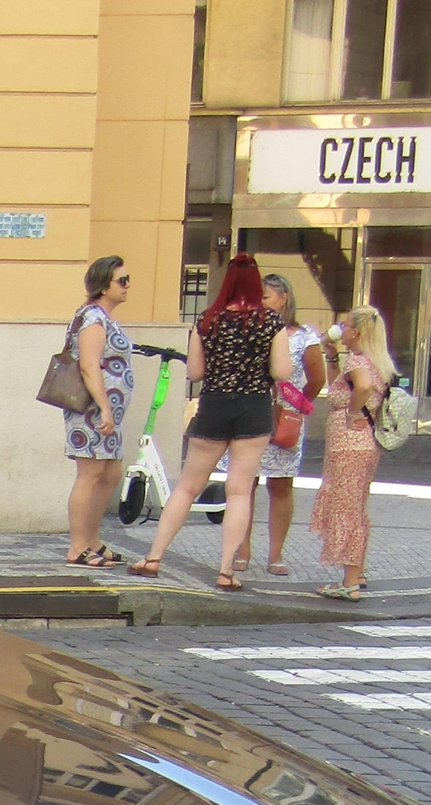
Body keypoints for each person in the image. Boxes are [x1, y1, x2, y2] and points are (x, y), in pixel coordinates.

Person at [132, 253, 293, 590]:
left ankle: (153, 557)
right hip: (254, 407)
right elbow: (281, 372)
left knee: (188, 486)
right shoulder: (271, 323)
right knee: (238, 491)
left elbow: (195, 372)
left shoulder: (207, 320)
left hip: (214, 404)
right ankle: (225, 570)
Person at [313, 305, 394, 601]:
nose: (340, 328)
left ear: (356, 332)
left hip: (349, 443)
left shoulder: (359, 361)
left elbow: (361, 386)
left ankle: (349, 582)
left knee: (346, 510)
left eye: (345, 326)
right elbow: (341, 384)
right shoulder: (373, 360)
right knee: (356, 507)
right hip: (364, 444)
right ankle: (356, 571)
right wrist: (332, 355)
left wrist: (351, 412)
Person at [62, 254, 135, 568]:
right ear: (104, 285)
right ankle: (78, 547)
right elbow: (89, 365)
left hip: (108, 413)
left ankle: (93, 540)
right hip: (92, 410)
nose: (128, 285)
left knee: (110, 473)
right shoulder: (93, 318)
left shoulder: (104, 317)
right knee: (90, 474)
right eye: (122, 280)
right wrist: (104, 407)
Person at [256, 274, 326, 575]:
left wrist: (297, 407)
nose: (260, 303)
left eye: (265, 297)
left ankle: (275, 554)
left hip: (286, 418)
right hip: (253, 413)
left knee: (281, 485)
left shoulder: (304, 335)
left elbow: (318, 378)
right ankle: (240, 550)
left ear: (284, 297)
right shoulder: (253, 330)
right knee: (243, 484)